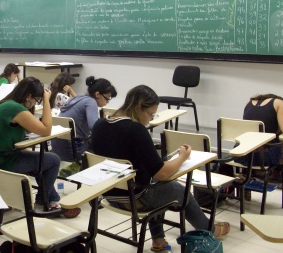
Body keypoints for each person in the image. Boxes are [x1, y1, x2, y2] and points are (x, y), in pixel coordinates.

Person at [91, 85, 230, 251]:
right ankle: (210, 229)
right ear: (137, 107)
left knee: (158, 185)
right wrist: (182, 157)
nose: (150, 120)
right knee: (178, 189)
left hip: (107, 194)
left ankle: (158, 240)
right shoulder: (136, 130)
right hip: (135, 199)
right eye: (149, 114)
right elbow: (162, 172)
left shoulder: (100, 124)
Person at [0, 77, 80, 218]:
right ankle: (44, 201)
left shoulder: (5, 104)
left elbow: (27, 130)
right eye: (37, 99)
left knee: (41, 160)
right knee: (53, 160)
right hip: (3, 163)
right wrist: (47, 99)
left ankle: (53, 199)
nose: (36, 103)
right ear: (29, 97)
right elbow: (46, 130)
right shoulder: (15, 108)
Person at [51, 76, 117, 163]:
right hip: (72, 148)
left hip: (56, 146)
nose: (107, 102)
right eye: (107, 98)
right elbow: (93, 127)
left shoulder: (79, 98)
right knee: (107, 147)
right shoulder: (91, 102)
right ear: (97, 94)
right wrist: (105, 120)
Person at [235, 94, 283, 183]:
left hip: (241, 155)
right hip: (264, 156)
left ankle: (246, 181)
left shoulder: (249, 103)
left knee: (253, 145)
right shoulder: (279, 103)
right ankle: (276, 177)